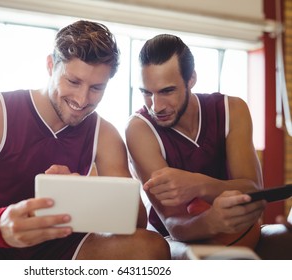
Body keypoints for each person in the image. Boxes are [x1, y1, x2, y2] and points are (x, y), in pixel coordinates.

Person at [0, 20, 170, 260]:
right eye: (73, 81)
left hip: (68, 251)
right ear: (51, 65)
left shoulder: (106, 134)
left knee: (152, 247)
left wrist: (89, 192)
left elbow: (134, 223)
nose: (82, 99)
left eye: (96, 88)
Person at [125, 33, 292, 259]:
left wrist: (198, 185)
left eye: (167, 91)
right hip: (174, 241)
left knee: (286, 238)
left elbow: (253, 191)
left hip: (241, 233)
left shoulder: (233, 109)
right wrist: (211, 221)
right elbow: (175, 225)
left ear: (191, 79)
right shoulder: (139, 129)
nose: (156, 106)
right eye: (146, 92)